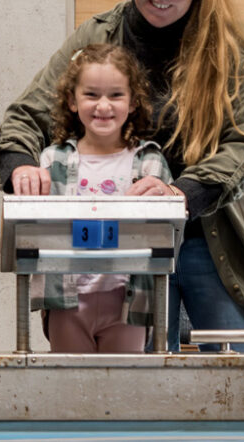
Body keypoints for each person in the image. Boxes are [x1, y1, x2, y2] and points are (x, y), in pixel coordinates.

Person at [0, 0, 244, 353]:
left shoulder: (234, 50)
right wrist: (19, 166)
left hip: (209, 234)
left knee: (241, 362)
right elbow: (25, 116)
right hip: (121, 248)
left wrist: (179, 196)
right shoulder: (97, 36)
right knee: (146, 370)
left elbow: (239, 151)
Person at [28, 43, 173, 353]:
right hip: (67, 299)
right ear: (71, 100)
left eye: (116, 95)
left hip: (128, 300)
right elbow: (36, 228)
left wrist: (168, 194)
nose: (103, 106)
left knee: (123, 391)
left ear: (133, 102)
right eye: (91, 95)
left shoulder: (149, 162)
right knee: (69, 388)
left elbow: (168, 230)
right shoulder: (52, 160)